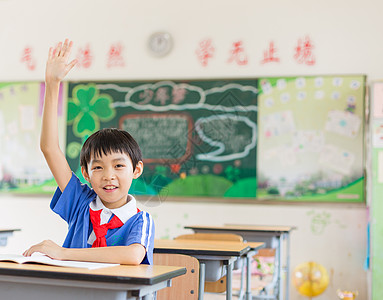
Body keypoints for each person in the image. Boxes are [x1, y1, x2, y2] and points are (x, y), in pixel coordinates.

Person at [23, 39, 154, 265]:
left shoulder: (140, 219)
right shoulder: (81, 202)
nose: (108, 175)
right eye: (98, 167)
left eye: (119, 165)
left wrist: (63, 253)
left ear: (137, 169)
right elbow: (49, 148)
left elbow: (132, 255)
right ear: (86, 173)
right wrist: (52, 84)